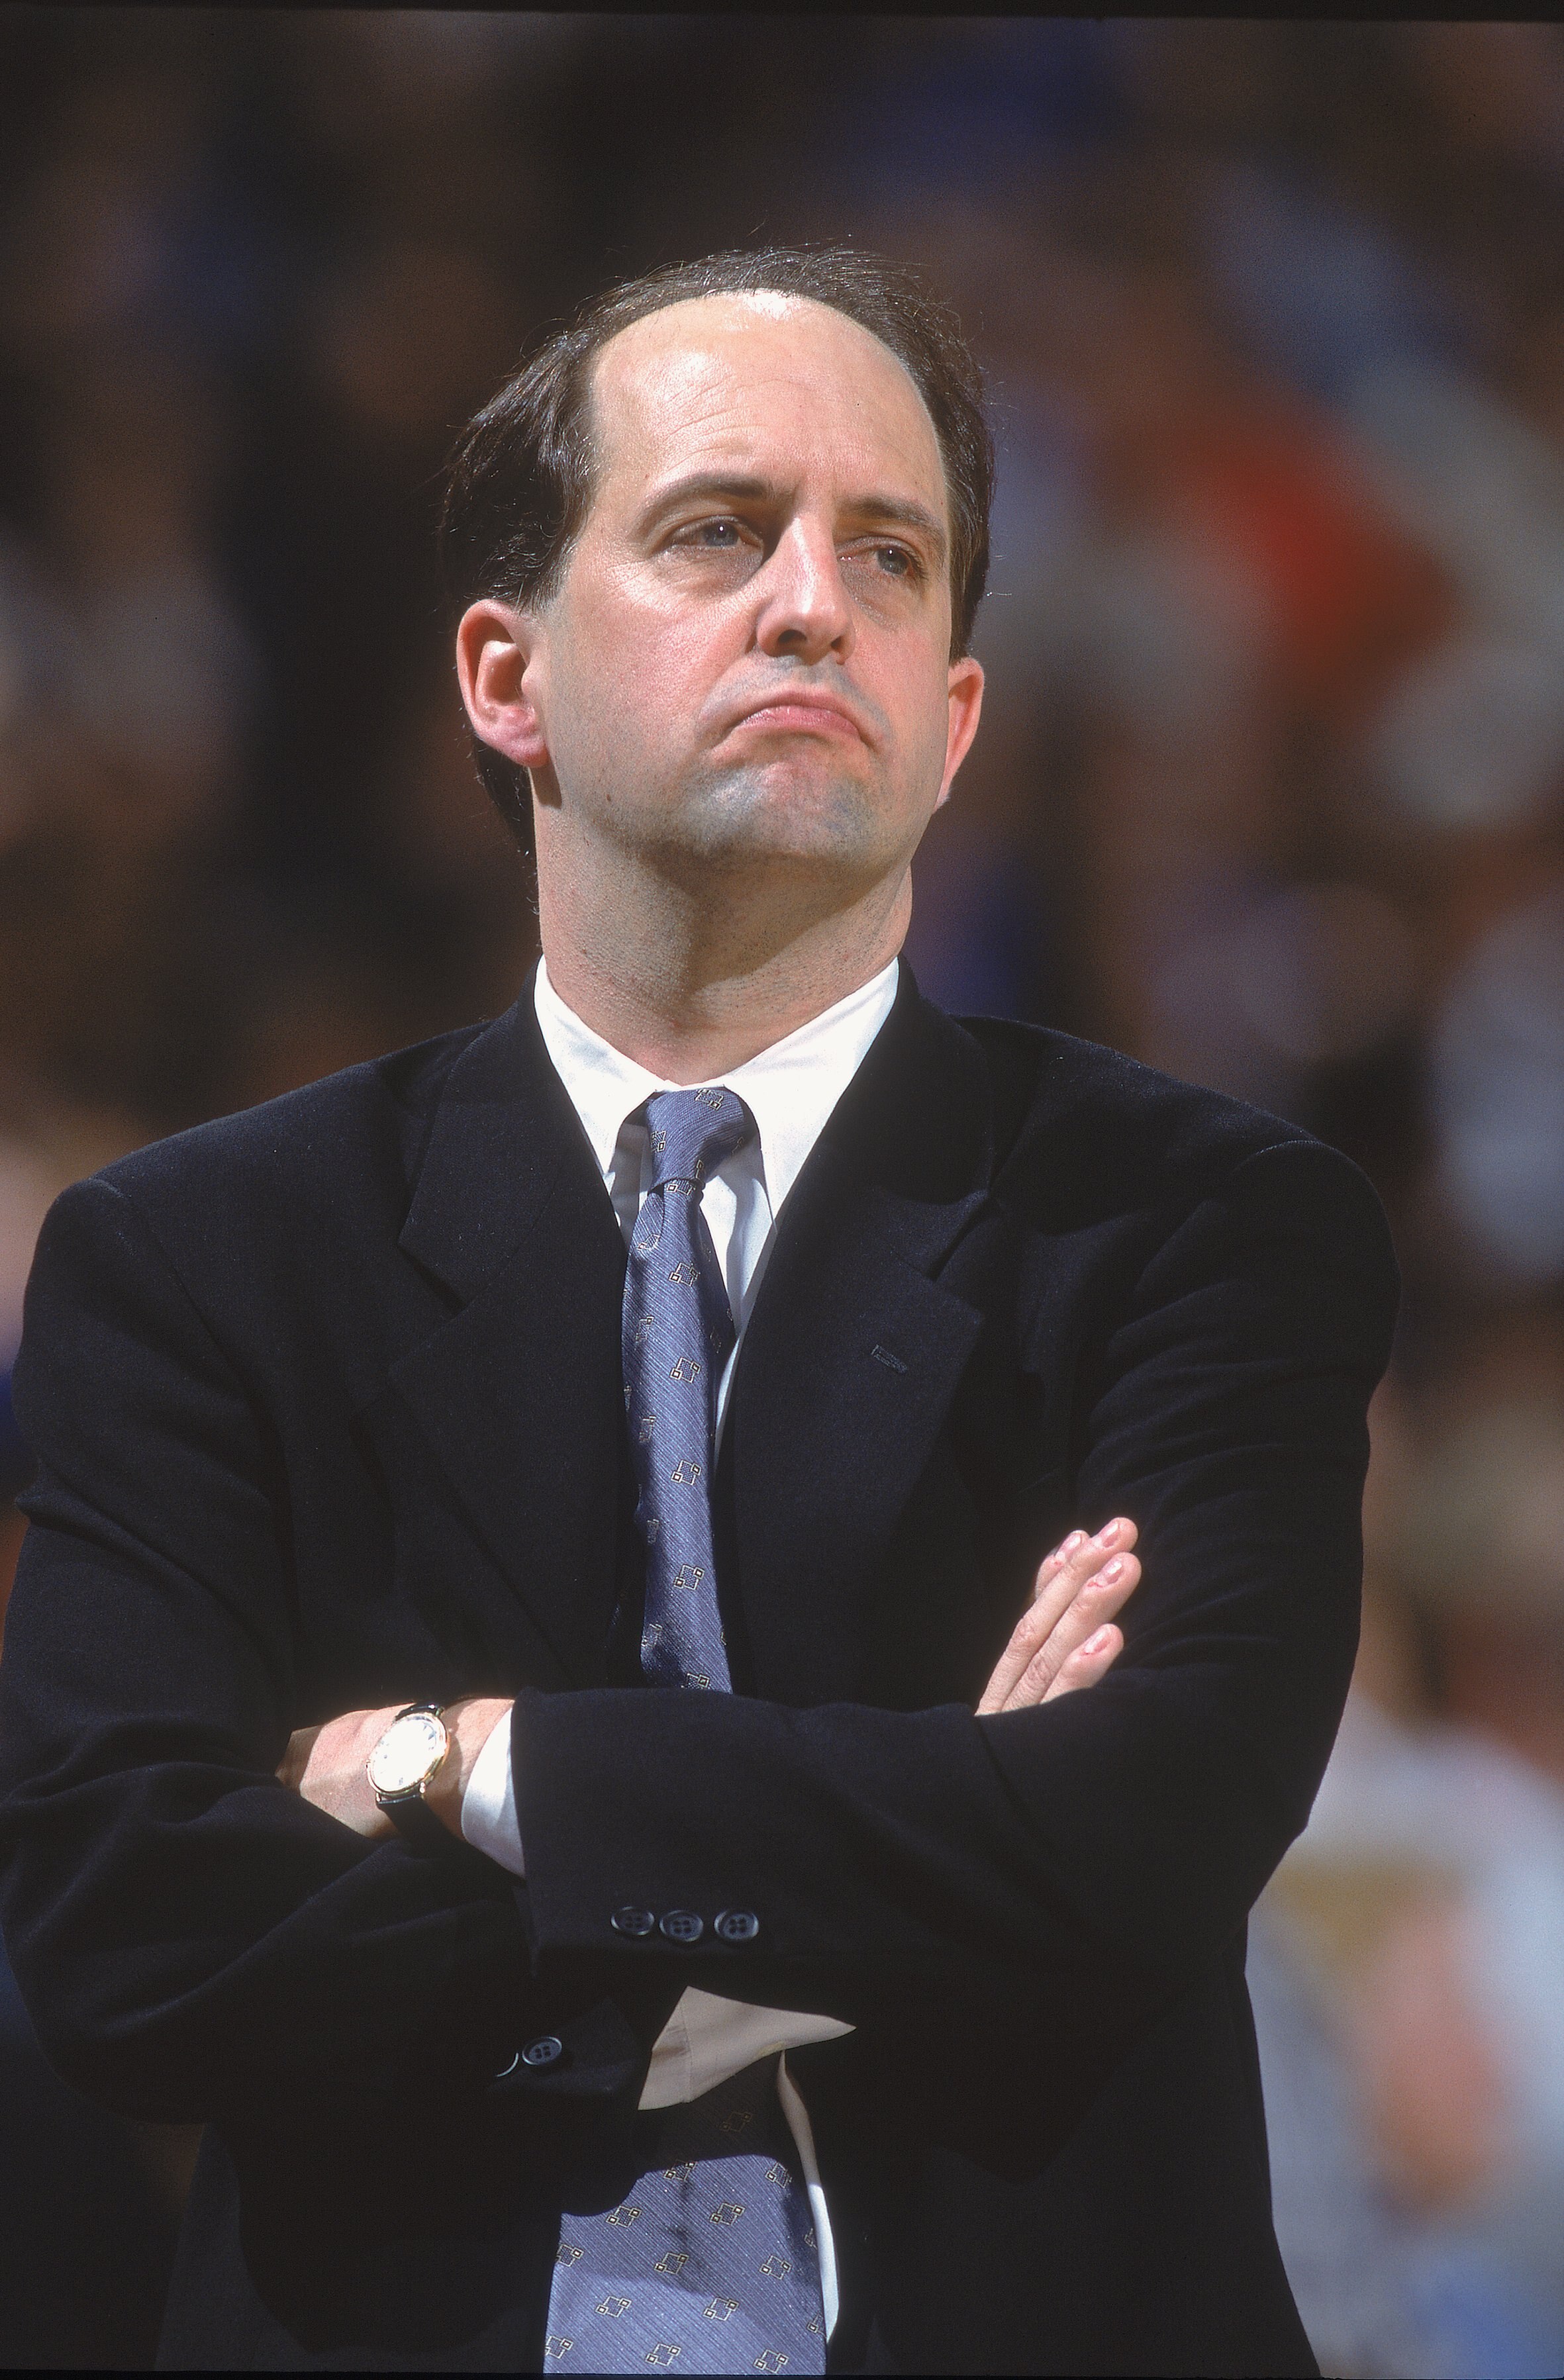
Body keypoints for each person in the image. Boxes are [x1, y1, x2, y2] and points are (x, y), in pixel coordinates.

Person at [0, 248, 1397, 2377]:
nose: (814, 600)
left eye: (891, 553)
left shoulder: (1198, 1220)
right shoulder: (195, 1257)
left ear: (952, 724)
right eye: (718, 530)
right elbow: (127, 1939)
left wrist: (465, 1765)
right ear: (505, 673)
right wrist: (914, 1839)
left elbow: (1138, 1837)